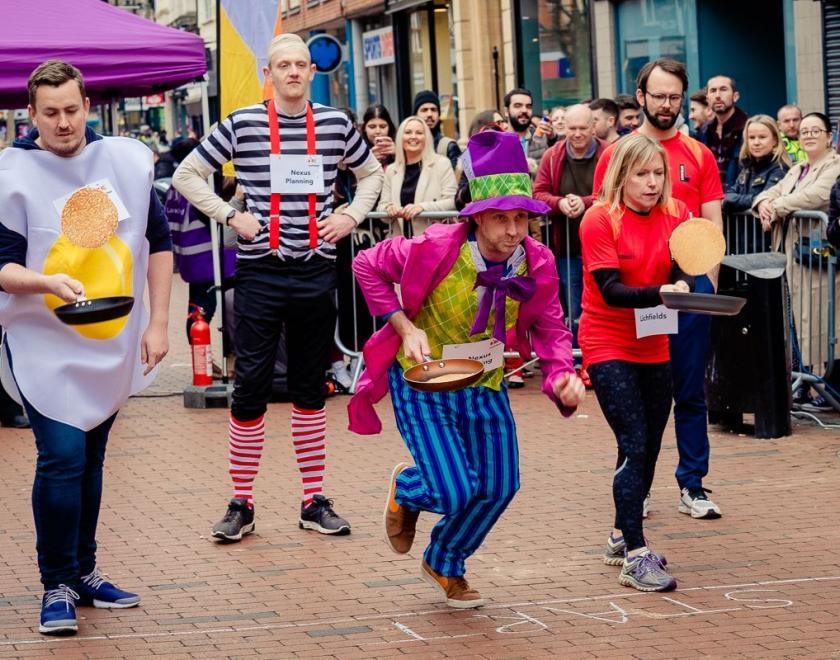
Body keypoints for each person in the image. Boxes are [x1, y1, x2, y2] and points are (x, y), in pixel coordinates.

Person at [349, 129, 585, 608]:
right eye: (501, 219)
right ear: (476, 217)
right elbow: (365, 264)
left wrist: (562, 373)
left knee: (499, 485)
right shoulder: (433, 246)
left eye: (521, 218)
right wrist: (403, 325)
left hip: (486, 381)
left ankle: (444, 560)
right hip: (424, 381)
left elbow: (550, 326)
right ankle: (409, 487)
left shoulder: (535, 261)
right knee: (453, 488)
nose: (513, 230)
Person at [172, 33, 384, 541]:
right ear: (269, 73)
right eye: (282, 65)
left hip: (315, 270)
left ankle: (313, 500)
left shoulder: (334, 123)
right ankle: (241, 503)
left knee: (312, 388)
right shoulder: (243, 123)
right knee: (250, 390)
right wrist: (231, 216)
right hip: (261, 272)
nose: (292, 73)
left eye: (300, 65)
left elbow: (372, 171)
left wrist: (352, 213)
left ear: (312, 71)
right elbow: (187, 173)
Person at [0, 60, 172, 634]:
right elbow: (1, 266)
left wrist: (159, 325)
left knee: (92, 457)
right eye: (51, 113)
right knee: (63, 457)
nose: (64, 122)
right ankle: (55, 583)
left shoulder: (124, 161)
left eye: (72, 110)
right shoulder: (13, 170)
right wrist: (44, 282)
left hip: (109, 337)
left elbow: (159, 242)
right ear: (32, 114)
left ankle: (82, 572)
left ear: (87, 107)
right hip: (41, 340)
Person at [593, 58, 725, 521]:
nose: (666, 105)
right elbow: (604, 217)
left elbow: (713, 226)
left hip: (687, 291)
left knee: (689, 390)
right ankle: (636, 485)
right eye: (658, 95)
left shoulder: (699, 154)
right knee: (638, 401)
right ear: (641, 97)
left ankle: (693, 482)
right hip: (636, 297)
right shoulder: (617, 154)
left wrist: (706, 287)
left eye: (675, 97)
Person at [580, 134, 691, 592]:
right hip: (607, 339)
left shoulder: (677, 215)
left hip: (655, 339)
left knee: (648, 446)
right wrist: (665, 293)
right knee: (634, 439)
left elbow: (686, 264)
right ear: (620, 175)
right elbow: (611, 290)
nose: (651, 183)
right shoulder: (599, 219)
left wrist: (685, 281)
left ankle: (619, 534)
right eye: (641, 174)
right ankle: (636, 555)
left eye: (658, 173)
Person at [753, 112, 840, 411]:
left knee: (822, 324)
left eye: (816, 130)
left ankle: (824, 387)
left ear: (829, 136)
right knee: (794, 322)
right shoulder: (797, 169)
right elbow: (769, 192)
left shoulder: (834, 166)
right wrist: (764, 203)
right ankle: (805, 384)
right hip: (790, 258)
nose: (809, 135)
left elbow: (816, 196)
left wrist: (775, 207)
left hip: (818, 259)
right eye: (804, 131)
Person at [534, 104, 607, 354]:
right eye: (571, 128)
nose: (576, 134)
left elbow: (617, 191)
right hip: (567, 247)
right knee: (574, 309)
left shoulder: (608, 153)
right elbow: (538, 193)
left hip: (604, 248)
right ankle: (578, 357)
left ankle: (599, 355)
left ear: (594, 127)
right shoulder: (553, 156)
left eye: (583, 128)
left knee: (603, 305)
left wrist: (585, 202)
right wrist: (560, 202)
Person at [165, 138, 236, 340]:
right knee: (204, 311)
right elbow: (213, 218)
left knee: (197, 308)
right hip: (209, 258)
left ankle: (203, 361)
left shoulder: (175, 185)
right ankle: (203, 362)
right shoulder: (197, 185)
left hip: (190, 258)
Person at [378, 116, 457, 238]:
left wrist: (422, 207)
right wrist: (388, 209)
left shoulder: (441, 164)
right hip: (400, 247)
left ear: (426, 138)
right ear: (400, 138)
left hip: (433, 243)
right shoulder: (391, 170)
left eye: (419, 133)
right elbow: (381, 209)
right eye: (408, 132)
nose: (413, 136)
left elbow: (452, 202)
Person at [723, 115, 790, 215]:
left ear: (775, 140)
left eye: (762, 137)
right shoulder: (747, 167)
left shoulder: (780, 169)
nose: (756, 142)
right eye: (751, 137)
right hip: (744, 229)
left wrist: (738, 201)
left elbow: (766, 199)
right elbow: (728, 197)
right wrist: (754, 200)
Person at [702, 75, 747, 187]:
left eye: (723, 89)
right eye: (713, 91)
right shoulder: (704, 132)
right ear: (707, 99)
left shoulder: (748, 129)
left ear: (735, 96)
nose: (717, 96)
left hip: (737, 200)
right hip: (711, 199)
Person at [413, 90, 461, 169]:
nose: (429, 114)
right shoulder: (408, 146)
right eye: (424, 110)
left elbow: (457, 179)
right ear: (415, 115)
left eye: (434, 110)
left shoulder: (449, 146)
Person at [504, 87, 550, 164]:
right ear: (506, 111)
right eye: (518, 106)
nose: (524, 110)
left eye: (528, 106)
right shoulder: (497, 143)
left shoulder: (542, 139)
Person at [361, 104, 397, 169]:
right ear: (364, 128)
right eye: (372, 127)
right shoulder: (356, 150)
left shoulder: (401, 145)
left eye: (383, 126)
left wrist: (399, 155)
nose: (378, 131)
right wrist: (367, 160)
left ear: (389, 127)